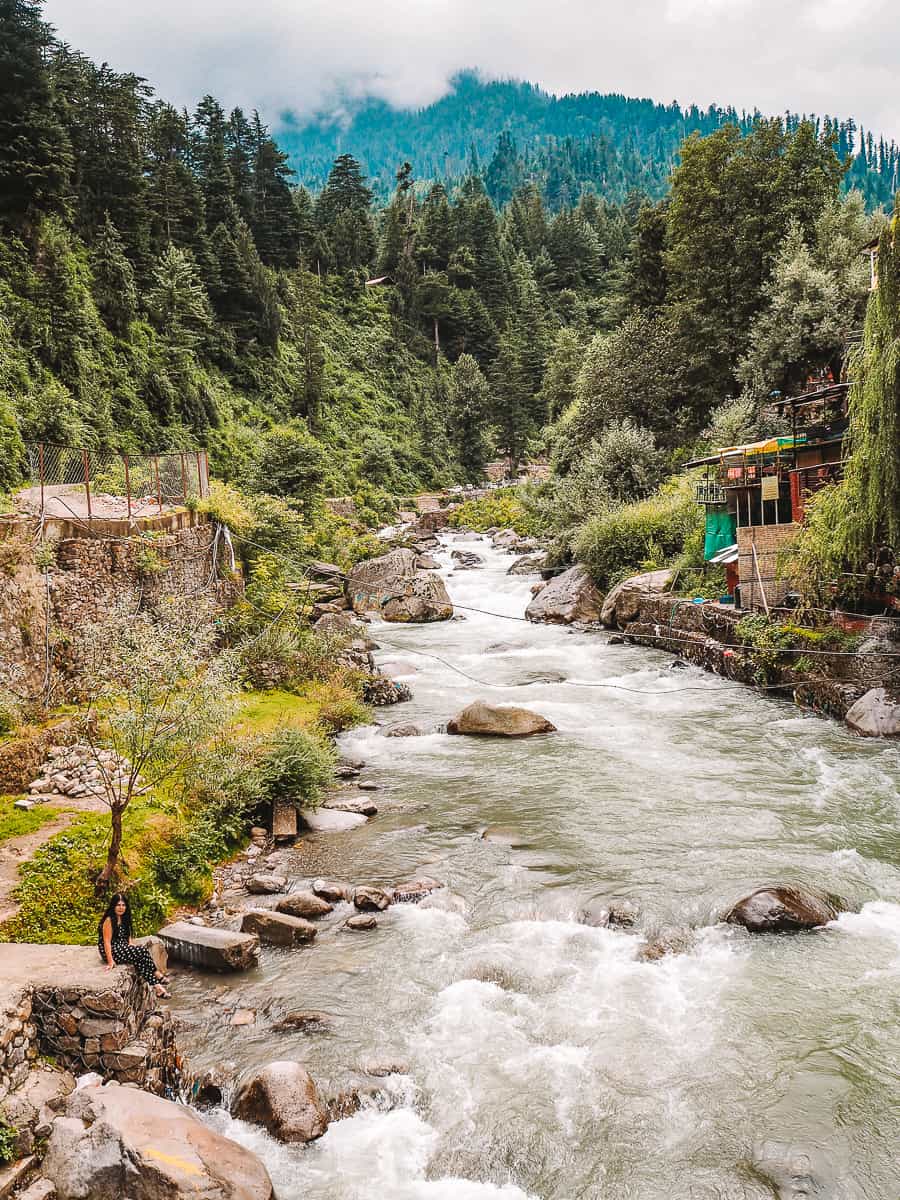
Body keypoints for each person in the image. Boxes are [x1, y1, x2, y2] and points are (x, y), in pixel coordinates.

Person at [98, 893, 170, 999]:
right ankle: (156, 973)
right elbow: (107, 942)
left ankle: (158, 987)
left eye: (123, 905)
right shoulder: (109, 920)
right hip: (111, 949)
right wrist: (110, 961)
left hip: (122, 946)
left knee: (138, 959)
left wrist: (132, 947)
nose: (121, 908)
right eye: (118, 905)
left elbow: (127, 937)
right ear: (113, 906)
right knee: (141, 950)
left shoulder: (124, 918)